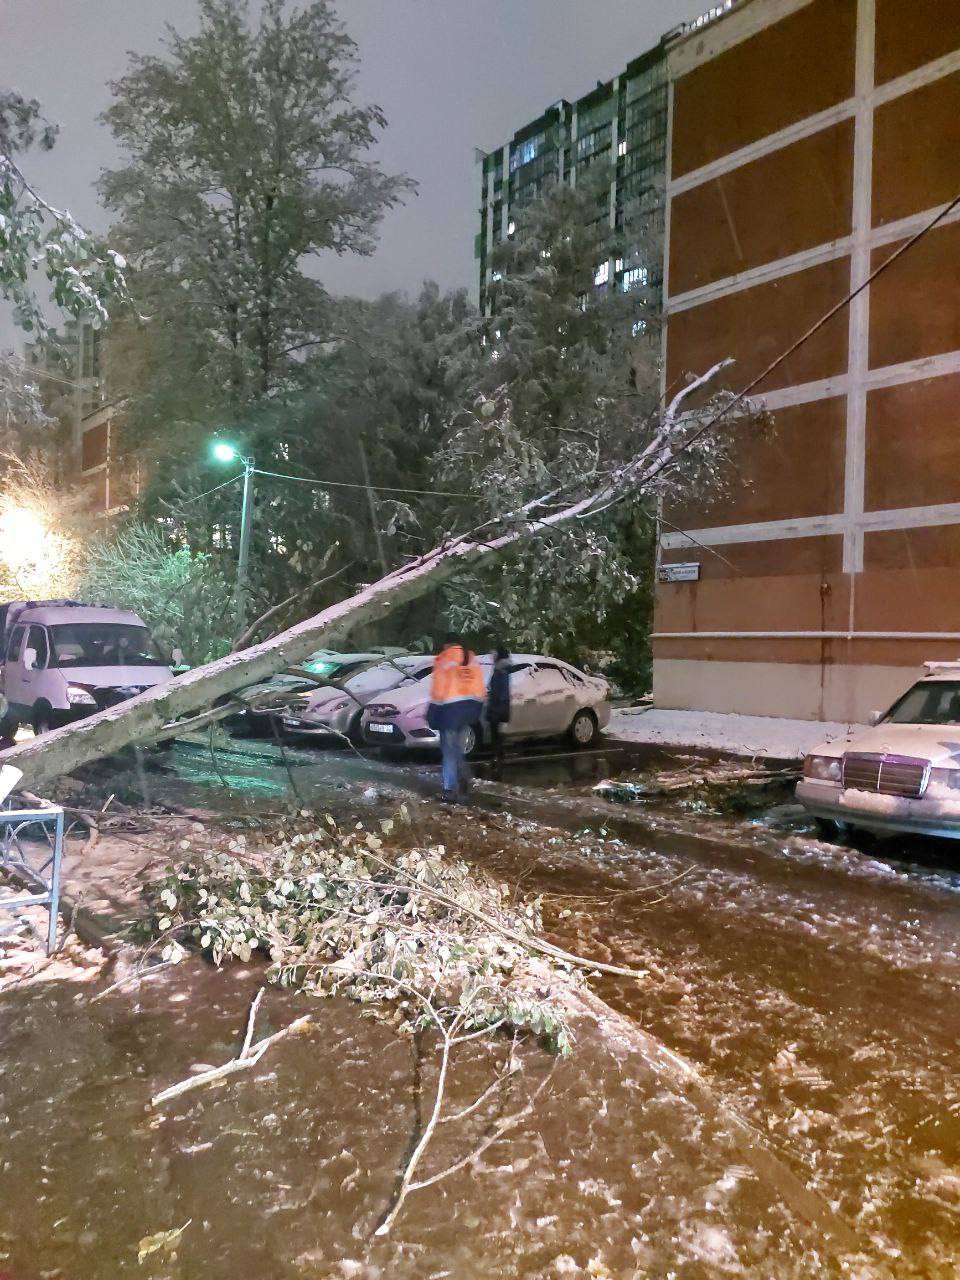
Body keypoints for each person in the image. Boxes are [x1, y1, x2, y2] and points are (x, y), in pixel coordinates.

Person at [428, 633, 485, 802]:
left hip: (449, 712)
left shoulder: (444, 659)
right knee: (457, 749)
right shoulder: (471, 659)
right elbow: (481, 690)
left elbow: (439, 692)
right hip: (468, 711)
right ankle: (464, 777)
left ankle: (450, 790)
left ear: (447, 645)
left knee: (449, 752)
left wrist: (433, 712)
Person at [486, 646, 512, 776]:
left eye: (494, 654)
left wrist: (498, 707)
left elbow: (503, 692)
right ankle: (498, 756)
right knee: (496, 733)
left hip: (497, 707)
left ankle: (497, 757)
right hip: (497, 706)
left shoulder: (501, 671)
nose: (492, 655)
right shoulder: (500, 669)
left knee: (496, 734)